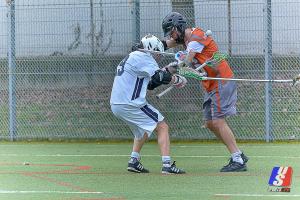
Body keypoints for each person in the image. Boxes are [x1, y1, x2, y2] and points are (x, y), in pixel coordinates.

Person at [161, 12, 248, 172]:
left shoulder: (196, 37)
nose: (172, 36)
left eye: (172, 32)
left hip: (221, 81)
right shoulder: (183, 38)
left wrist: (170, 68)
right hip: (210, 84)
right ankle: (239, 155)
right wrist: (144, 46)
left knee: (218, 121)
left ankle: (238, 159)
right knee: (209, 123)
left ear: (179, 27)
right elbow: (165, 44)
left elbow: (186, 62)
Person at [110, 34, 186, 174]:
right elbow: (159, 77)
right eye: (156, 53)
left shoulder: (135, 56)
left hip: (117, 104)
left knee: (143, 129)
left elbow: (151, 84)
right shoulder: (142, 57)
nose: (158, 57)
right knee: (162, 126)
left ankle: (134, 161)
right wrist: (176, 79)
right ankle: (167, 165)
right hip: (130, 103)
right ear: (150, 50)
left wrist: (169, 69)